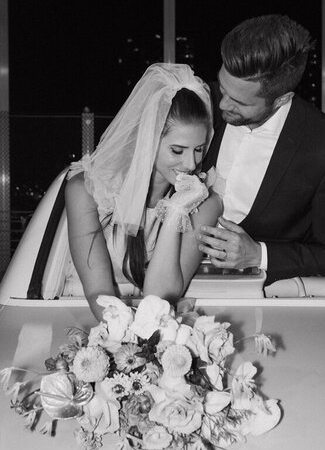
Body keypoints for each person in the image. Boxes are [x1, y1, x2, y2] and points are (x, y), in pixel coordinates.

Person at [198, 15, 325, 285]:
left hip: (260, 295)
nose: (222, 104)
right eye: (222, 87)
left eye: (238, 102)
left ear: (281, 99)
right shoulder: (201, 101)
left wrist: (258, 254)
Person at [65, 63, 222, 321]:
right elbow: (98, 293)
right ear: (149, 138)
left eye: (198, 149)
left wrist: (175, 211)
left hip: (159, 322)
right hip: (89, 317)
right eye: (177, 150)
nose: (191, 164)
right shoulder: (86, 191)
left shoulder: (205, 203)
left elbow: (160, 298)